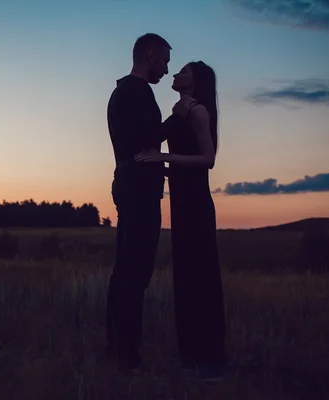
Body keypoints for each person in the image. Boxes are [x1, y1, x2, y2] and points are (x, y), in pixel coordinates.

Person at [134, 61, 227, 381]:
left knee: (202, 277)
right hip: (182, 203)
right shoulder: (182, 110)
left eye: (183, 72)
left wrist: (162, 158)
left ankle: (211, 359)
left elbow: (208, 159)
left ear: (196, 81)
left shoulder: (198, 111)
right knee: (186, 277)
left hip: (198, 203)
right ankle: (191, 355)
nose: (175, 75)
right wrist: (159, 166)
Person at [105, 33, 192, 372]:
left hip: (127, 183)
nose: (167, 69)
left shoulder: (119, 92)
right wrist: (180, 114)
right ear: (150, 55)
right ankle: (128, 354)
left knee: (123, 270)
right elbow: (147, 140)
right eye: (166, 61)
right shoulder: (138, 93)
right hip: (139, 189)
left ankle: (115, 347)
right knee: (136, 273)